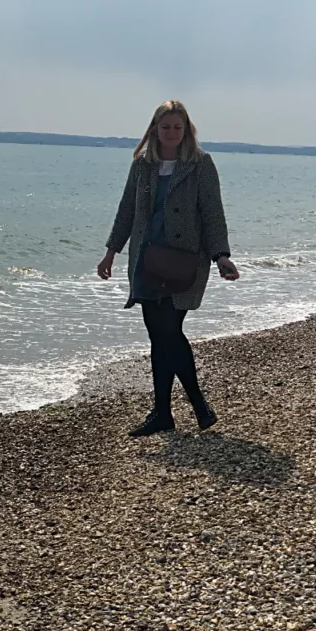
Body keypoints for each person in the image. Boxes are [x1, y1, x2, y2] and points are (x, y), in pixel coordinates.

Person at [97, 100, 239, 437]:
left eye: (178, 127)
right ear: (154, 130)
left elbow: (212, 213)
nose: (171, 133)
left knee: (169, 332)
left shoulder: (201, 165)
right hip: (146, 260)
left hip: (183, 261)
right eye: (165, 127)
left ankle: (196, 405)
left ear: (186, 130)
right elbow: (126, 210)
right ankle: (164, 412)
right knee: (158, 337)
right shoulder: (142, 165)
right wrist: (111, 252)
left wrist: (221, 256)